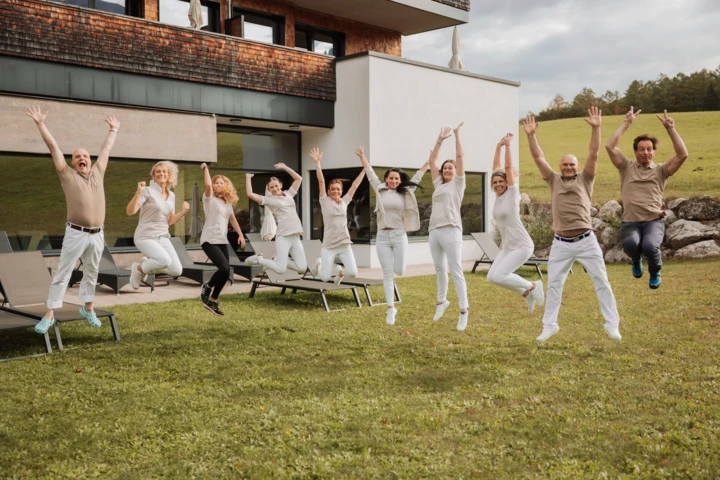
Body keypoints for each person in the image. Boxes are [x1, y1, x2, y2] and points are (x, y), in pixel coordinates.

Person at [523, 107, 622, 342]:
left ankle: (612, 324)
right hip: (561, 243)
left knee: (602, 282)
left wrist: (597, 128)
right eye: (564, 164)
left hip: (586, 241)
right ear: (560, 167)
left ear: (577, 167)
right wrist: (530, 135)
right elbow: (538, 158)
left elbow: (595, 153)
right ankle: (550, 325)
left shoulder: (586, 178)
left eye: (571, 165)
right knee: (555, 284)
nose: (568, 167)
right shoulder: (553, 180)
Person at [26, 105, 119, 335]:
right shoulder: (66, 174)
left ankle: (88, 308)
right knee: (64, 272)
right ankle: (49, 314)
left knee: (92, 271)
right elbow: (53, 147)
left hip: (98, 234)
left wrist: (113, 131)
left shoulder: (98, 172)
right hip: (76, 233)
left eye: (85, 156)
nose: (82, 159)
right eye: (78, 157)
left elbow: (105, 150)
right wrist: (40, 124)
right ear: (73, 161)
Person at [605, 107, 689, 289]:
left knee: (651, 246)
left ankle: (655, 271)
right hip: (630, 222)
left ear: (654, 152)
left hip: (653, 221)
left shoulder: (661, 170)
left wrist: (670, 129)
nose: (646, 152)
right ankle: (635, 260)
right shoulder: (626, 167)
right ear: (635, 152)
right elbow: (610, 146)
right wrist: (626, 123)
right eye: (642, 149)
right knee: (631, 244)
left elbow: (682, 154)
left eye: (649, 149)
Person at [356, 146, 429, 326]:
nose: (394, 180)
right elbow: (370, 173)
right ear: (386, 179)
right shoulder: (380, 189)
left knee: (400, 271)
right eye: (391, 178)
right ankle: (390, 308)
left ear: (400, 180)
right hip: (382, 236)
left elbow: (418, 175)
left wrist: (429, 162)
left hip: (398, 235)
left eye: (397, 178)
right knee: (387, 274)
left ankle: (391, 305)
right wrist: (362, 156)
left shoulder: (406, 191)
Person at [487, 132, 545, 313]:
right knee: (492, 277)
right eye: (495, 182)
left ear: (507, 182)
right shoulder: (497, 196)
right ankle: (526, 294)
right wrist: (498, 147)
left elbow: (508, 167)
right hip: (508, 247)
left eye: (501, 181)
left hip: (522, 245)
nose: (497, 184)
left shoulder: (512, 195)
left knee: (500, 275)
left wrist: (509, 146)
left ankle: (533, 286)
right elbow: (496, 168)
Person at [427, 123, 471, 331]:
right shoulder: (439, 185)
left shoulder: (458, 184)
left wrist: (457, 136)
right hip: (434, 231)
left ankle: (463, 311)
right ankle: (441, 302)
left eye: (450, 168)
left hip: (452, 229)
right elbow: (431, 161)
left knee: (455, 270)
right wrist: (439, 140)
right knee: (439, 269)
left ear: (455, 171)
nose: (446, 170)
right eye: (445, 168)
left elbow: (460, 157)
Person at [126, 161, 188, 289]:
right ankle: (138, 269)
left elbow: (169, 221)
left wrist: (183, 212)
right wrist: (138, 192)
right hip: (145, 237)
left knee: (177, 271)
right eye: (158, 172)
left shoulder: (171, 195)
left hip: (163, 237)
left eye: (164, 171)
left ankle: (145, 265)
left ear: (169, 175)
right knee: (164, 260)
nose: (161, 173)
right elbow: (130, 211)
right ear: (153, 176)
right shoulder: (147, 191)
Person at [309, 147, 365, 285]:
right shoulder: (324, 201)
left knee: (352, 272)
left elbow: (355, 186)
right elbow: (321, 181)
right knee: (325, 278)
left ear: (341, 191)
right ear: (328, 191)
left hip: (344, 243)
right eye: (333, 189)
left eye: (338, 189)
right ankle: (318, 265)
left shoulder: (345, 201)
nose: (335, 191)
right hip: (329, 245)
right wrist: (317, 163)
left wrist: (365, 168)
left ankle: (340, 272)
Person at [199, 163, 246, 316]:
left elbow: (233, 220)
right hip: (209, 239)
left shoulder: (227, 203)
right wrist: (206, 169)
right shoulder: (209, 199)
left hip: (221, 240)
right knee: (224, 268)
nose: (218, 185)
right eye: (216, 183)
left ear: (226, 185)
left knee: (226, 272)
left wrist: (240, 234)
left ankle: (212, 300)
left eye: (221, 183)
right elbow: (207, 184)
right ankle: (208, 285)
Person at [244, 164, 307, 274]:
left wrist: (285, 167)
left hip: (295, 236)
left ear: (281, 185)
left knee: (301, 268)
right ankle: (259, 259)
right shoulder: (269, 200)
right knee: (280, 269)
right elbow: (250, 194)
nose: (274, 188)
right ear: (268, 189)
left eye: (276, 186)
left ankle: (275, 260)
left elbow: (299, 178)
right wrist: (248, 178)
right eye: (271, 187)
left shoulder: (289, 194)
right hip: (283, 237)